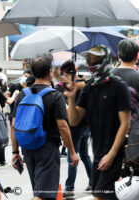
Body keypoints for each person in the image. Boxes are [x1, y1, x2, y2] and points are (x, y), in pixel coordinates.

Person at [66, 45, 131, 200]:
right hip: (97, 155)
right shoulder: (89, 88)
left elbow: (125, 124)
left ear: (105, 60)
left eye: (95, 58)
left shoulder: (119, 86)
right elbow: (74, 121)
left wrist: (112, 154)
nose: (91, 62)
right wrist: (71, 96)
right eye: (89, 59)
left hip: (116, 156)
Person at [10, 55, 79, 200]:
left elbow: (13, 125)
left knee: (39, 191)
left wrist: (15, 151)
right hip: (47, 149)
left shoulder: (23, 94)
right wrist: (72, 152)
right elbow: (63, 127)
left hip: (28, 148)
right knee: (44, 195)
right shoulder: (55, 96)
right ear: (49, 72)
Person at [55, 61, 93, 198]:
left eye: (63, 73)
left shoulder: (75, 86)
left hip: (76, 125)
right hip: (86, 125)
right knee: (84, 155)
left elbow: (63, 92)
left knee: (73, 156)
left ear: (65, 73)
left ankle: (70, 187)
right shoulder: (82, 84)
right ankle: (93, 182)